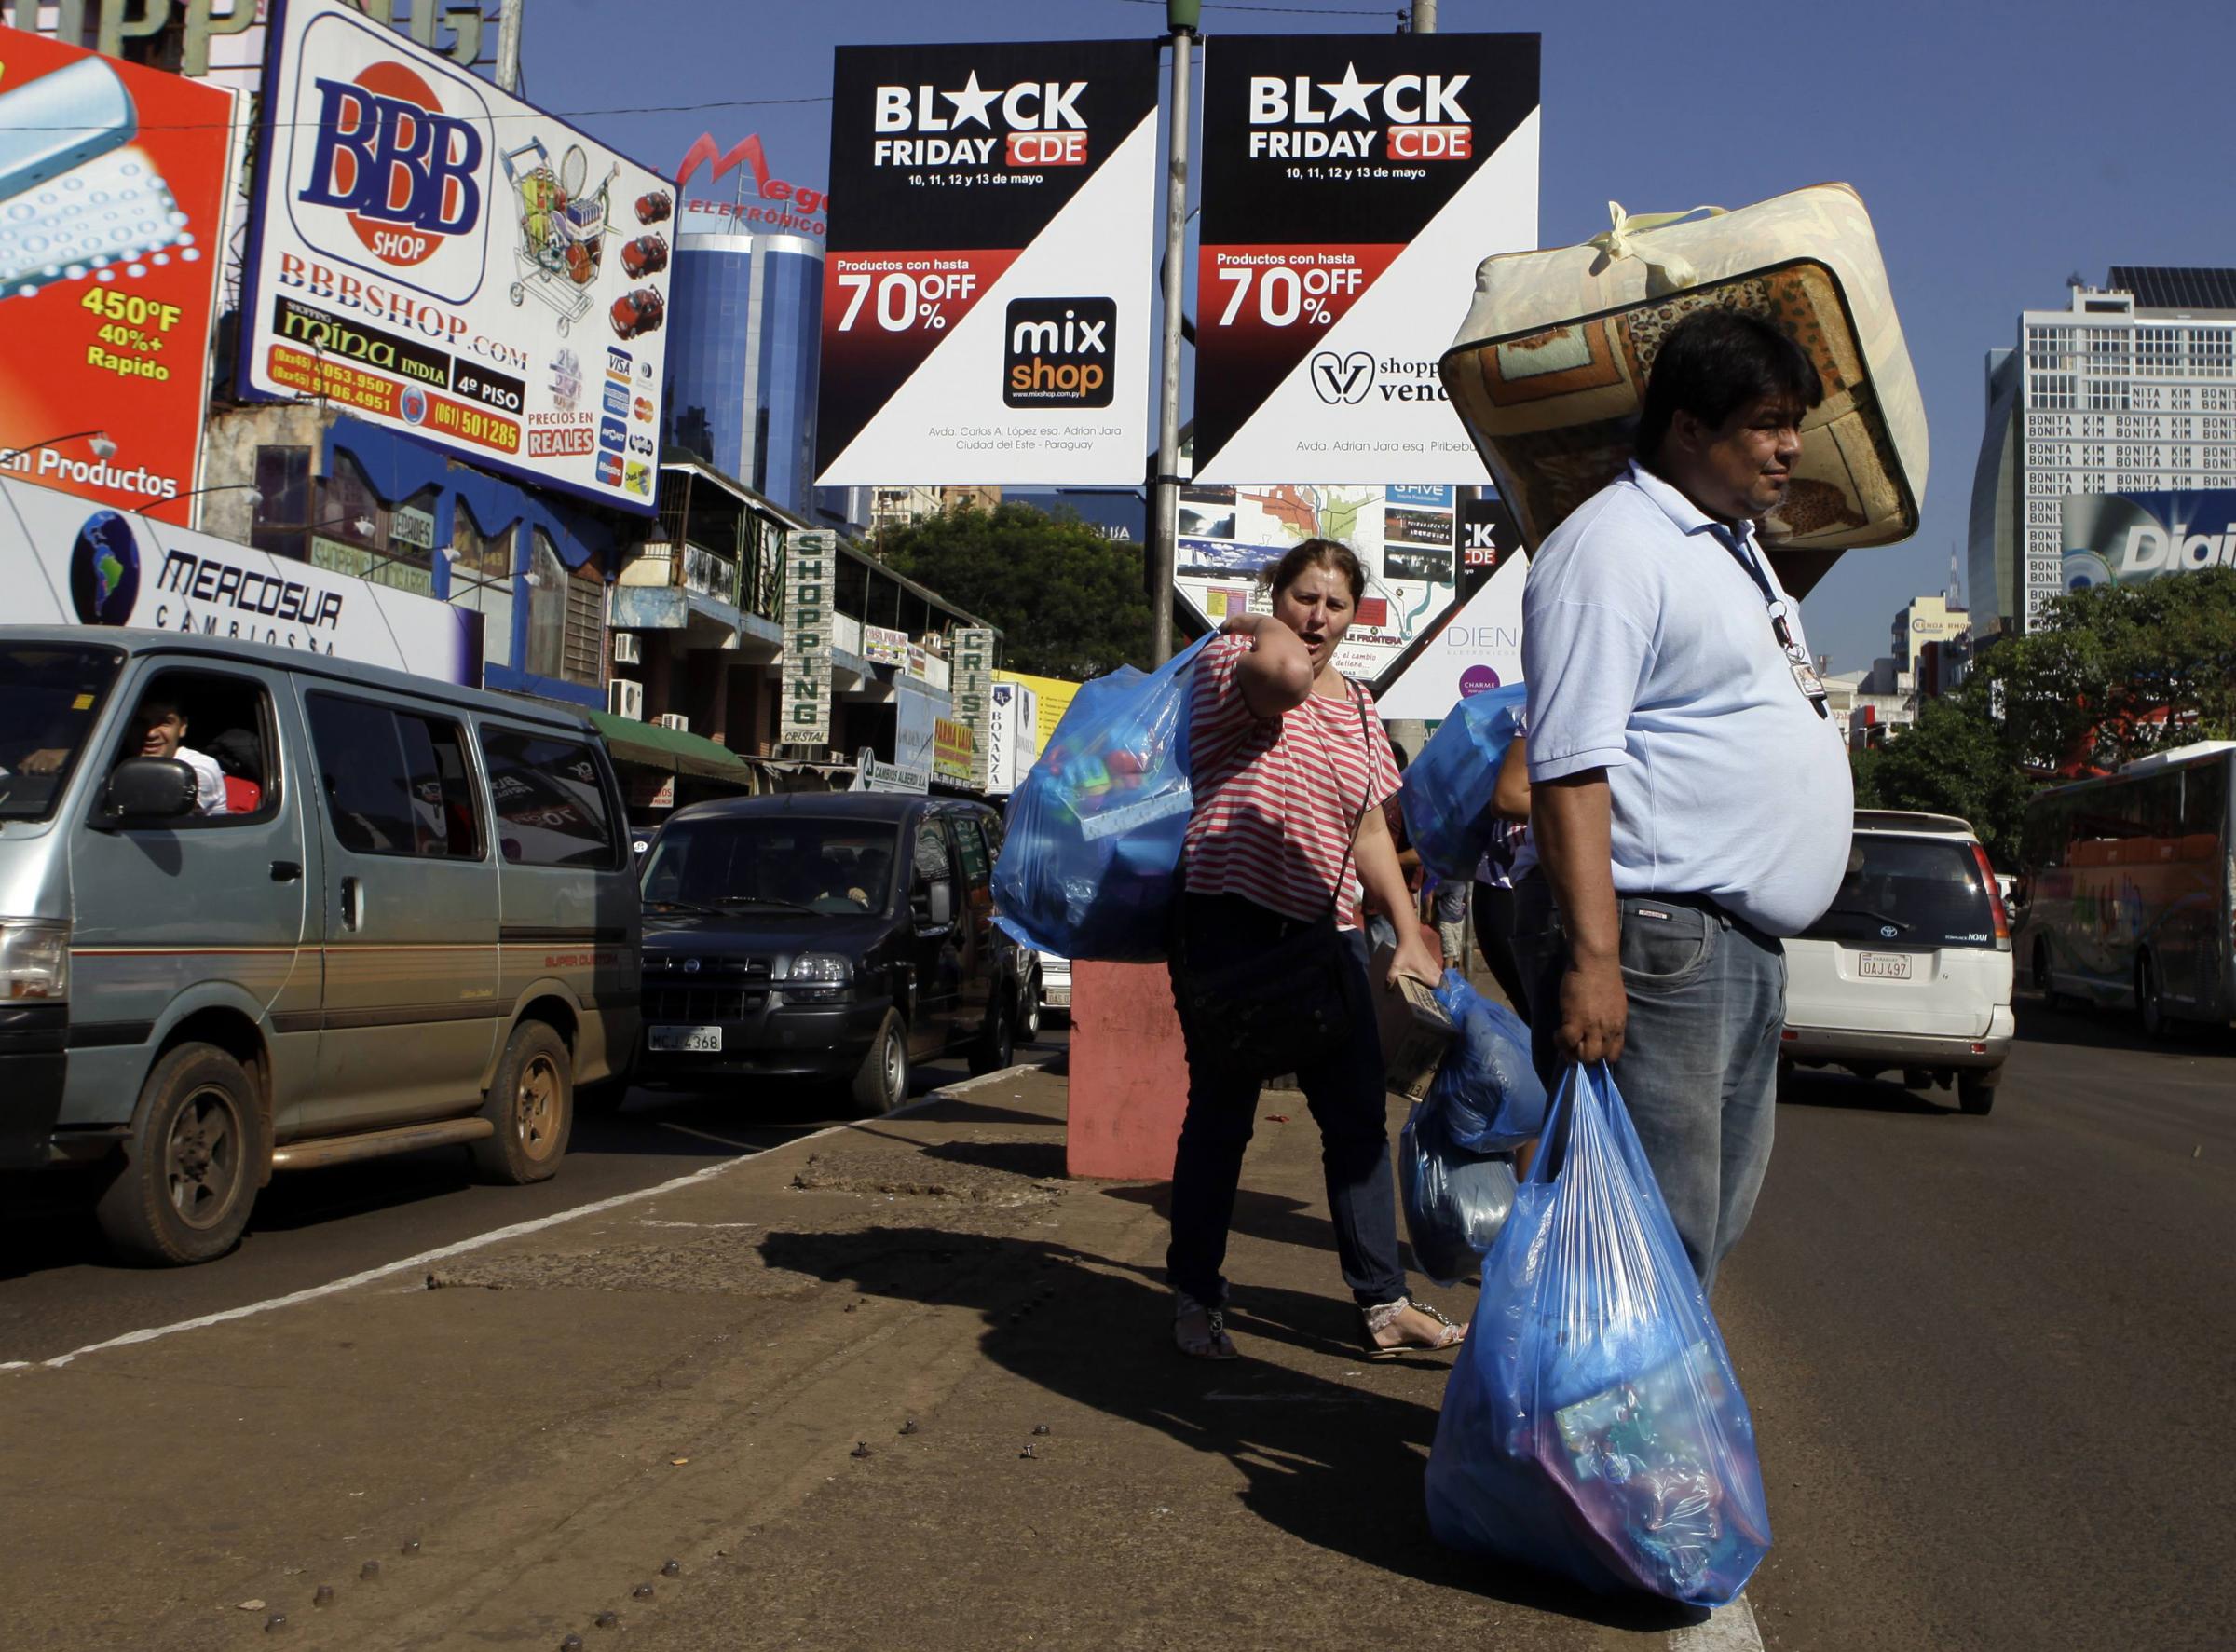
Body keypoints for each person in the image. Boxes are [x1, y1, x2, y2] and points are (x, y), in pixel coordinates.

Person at [1514, 308, 1852, 1292]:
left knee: (1694, 1232)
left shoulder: (1732, 549)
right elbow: (1569, 766)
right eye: (1766, 421)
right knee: (1644, 1241)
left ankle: (1610, 1437)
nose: (1790, 445)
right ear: (1688, 429)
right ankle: (1607, 1444)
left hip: (1728, 945)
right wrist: (1595, 961)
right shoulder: (1613, 546)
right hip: (1658, 935)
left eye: (1794, 420)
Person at [1166, 539, 1465, 1361]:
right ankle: (1195, 1296)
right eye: (1303, 596)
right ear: (1276, 592)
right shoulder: (1238, 662)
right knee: (1222, 1119)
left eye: (1336, 605)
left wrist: (1407, 931)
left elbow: (1370, 829)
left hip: (1324, 935)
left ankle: (1383, 1303)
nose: (1318, 617)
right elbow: (1288, 676)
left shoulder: (1364, 707)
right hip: (1226, 921)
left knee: (1356, 1120)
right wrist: (1259, 621)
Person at [128, 694, 228, 816]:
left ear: (182, 727)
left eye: (164, 722)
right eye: (141, 722)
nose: (151, 733)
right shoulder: (115, 760)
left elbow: (163, 806)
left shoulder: (200, 766)